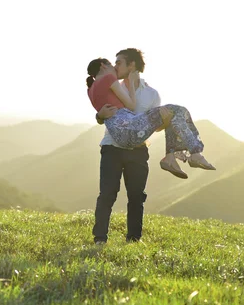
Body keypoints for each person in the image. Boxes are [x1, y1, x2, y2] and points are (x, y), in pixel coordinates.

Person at [88, 48, 214, 244]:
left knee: (137, 197)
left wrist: (163, 121)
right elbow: (101, 112)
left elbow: (156, 127)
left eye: (119, 62)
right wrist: (99, 116)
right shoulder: (113, 85)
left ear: (132, 66)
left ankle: (134, 240)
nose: (115, 66)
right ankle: (99, 239)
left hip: (138, 149)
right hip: (112, 146)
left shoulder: (152, 95)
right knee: (107, 194)